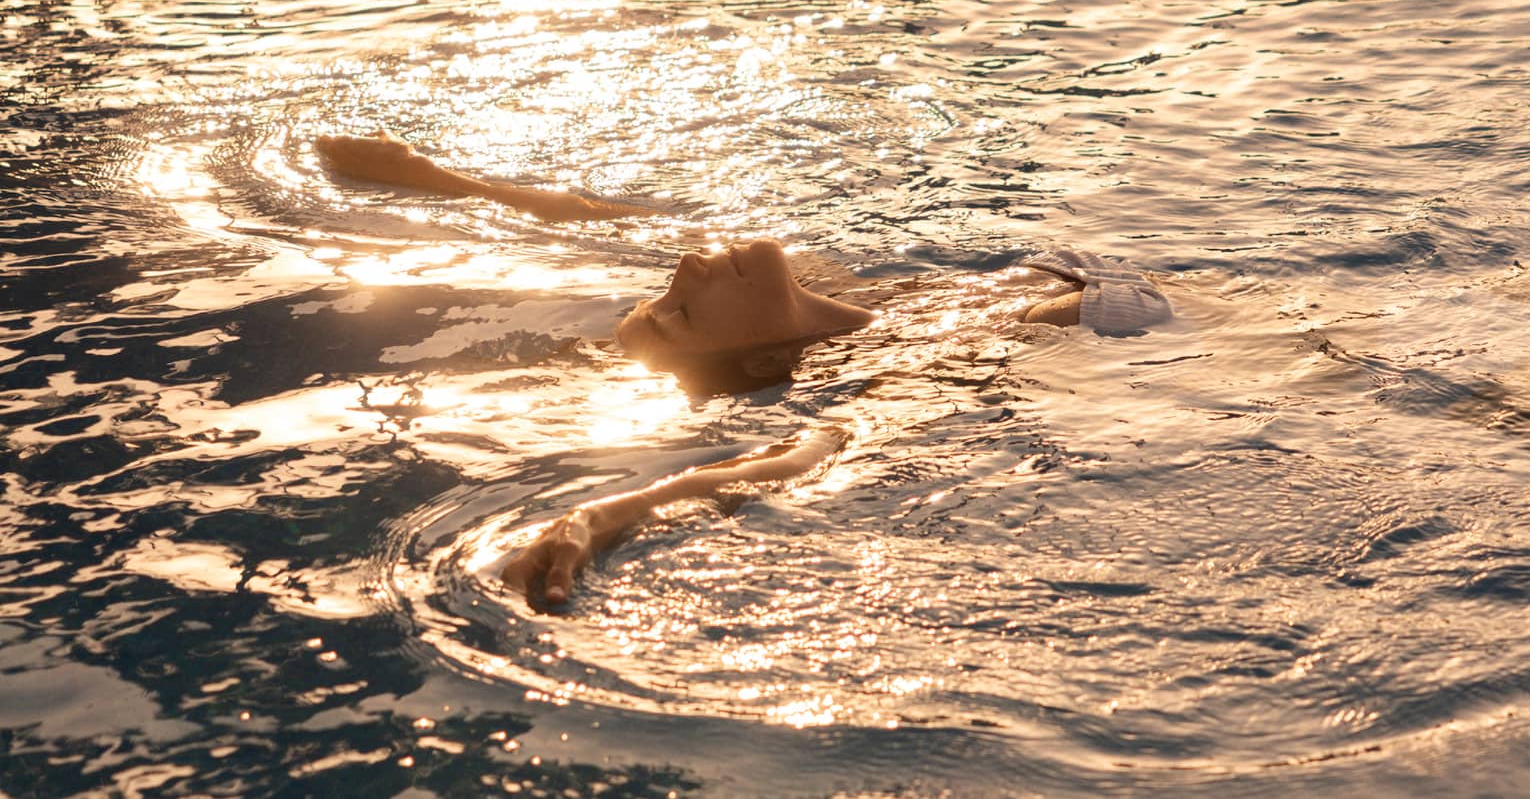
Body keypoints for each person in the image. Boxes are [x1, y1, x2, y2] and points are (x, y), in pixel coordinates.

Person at [316, 130, 1173, 606]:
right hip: (1202, 349)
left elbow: (596, 219)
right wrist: (606, 512)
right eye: (682, 312)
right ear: (761, 358)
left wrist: (435, 178)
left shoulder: (841, 287)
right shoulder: (920, 359)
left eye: (665, 295)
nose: (687, 269)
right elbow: (808, 453)